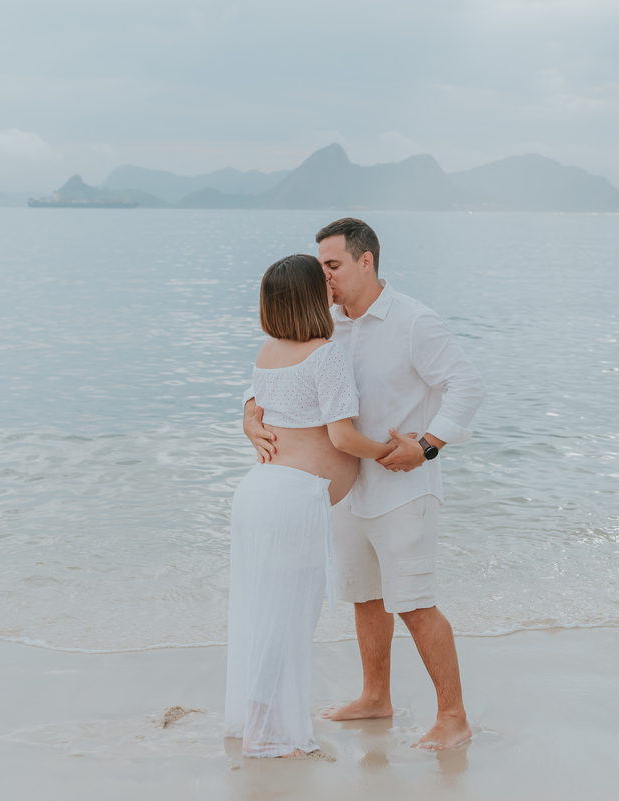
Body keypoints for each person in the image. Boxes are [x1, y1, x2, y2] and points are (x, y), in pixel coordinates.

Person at [244, 218, 485, 751]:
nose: (324, 278)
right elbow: (277, 377)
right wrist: (248, 414)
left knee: (415, 604)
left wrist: (427, 445)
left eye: (332, 266)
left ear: (366, 261)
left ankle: (454, 717)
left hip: (405, 488)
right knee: (365, 598)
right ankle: (375, 697)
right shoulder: (324, 322)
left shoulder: (414, 322)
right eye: (321, 267)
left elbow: (467, 384)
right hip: (344, 491)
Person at [224, 253, 397, 759]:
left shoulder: (267, 352)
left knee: (266, 613)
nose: (331, 286)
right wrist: (392, 451)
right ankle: (268, 733)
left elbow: (260, 405)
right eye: (323, 281)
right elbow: (343, 437)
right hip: (292, 501)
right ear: (308, 295)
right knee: (289, 617)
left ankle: (259, 722)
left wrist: (246, 418)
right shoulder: (325, 355)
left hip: (260, 492)